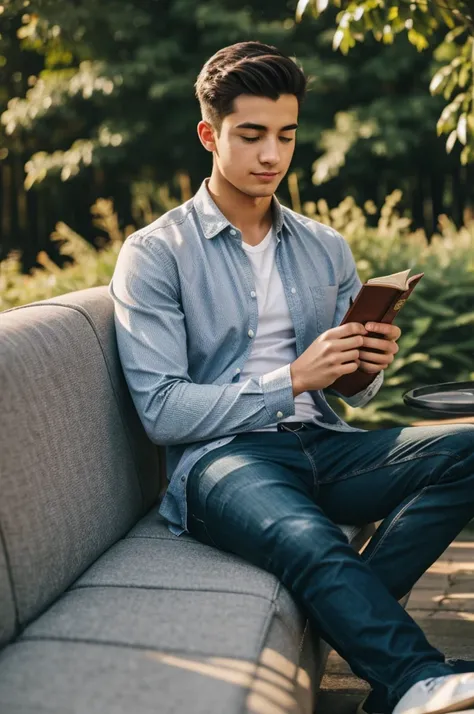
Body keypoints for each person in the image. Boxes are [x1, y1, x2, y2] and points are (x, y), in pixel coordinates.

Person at [108, 41, 474, 714]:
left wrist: (363, 364)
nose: (272, 155)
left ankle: (367, 636)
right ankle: (412, 677)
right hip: (224, 463)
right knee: (306, 537)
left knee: (469, 448)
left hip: (325, 445)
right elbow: (161, 410)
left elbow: (348, 392)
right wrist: (292, 379)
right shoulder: (155, 254)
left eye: (286, 135)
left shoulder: (324, 245)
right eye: (251, 136)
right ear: (209, 135)